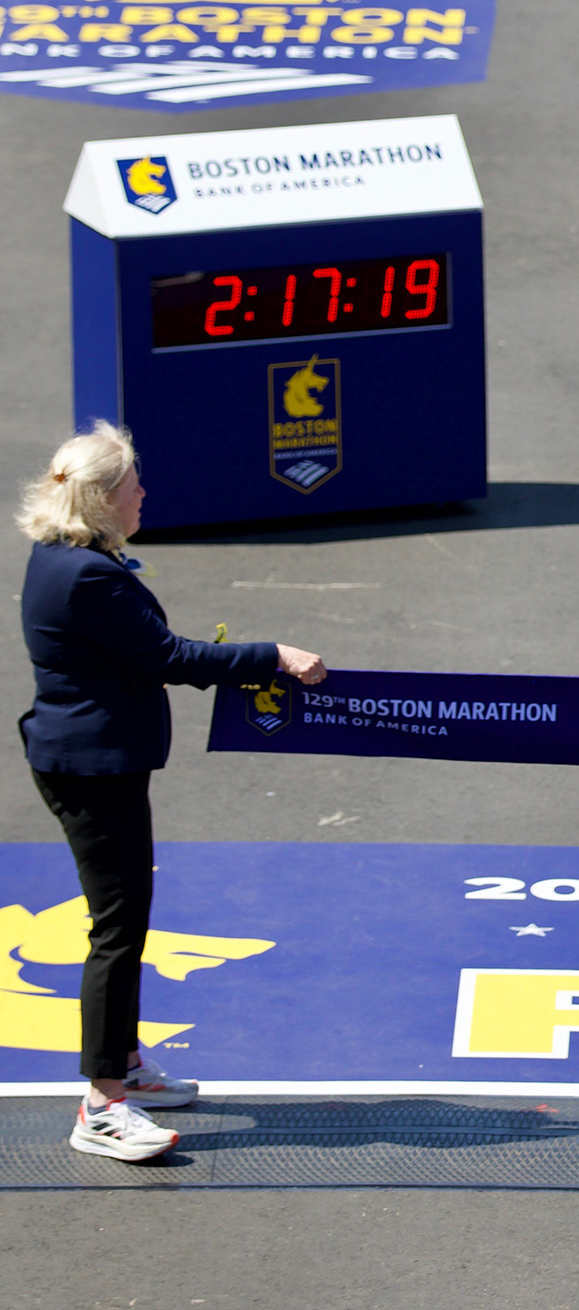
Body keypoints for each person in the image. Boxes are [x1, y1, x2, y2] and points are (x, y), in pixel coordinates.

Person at [17, 422, 328, 1162]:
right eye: (133, 486)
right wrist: (271, 656)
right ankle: (101, 1105)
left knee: (124, 921)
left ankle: (121, 1064)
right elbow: (168, 656)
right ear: (102, 499)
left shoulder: (63, 555)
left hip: (89, 762)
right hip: (94, 772)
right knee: (117, 933)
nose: (144, 494)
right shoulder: (89, 575)